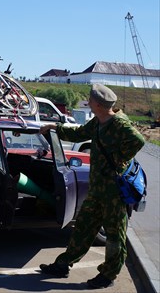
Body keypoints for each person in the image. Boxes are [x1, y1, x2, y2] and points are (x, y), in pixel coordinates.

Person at [38, 84, 145, 289]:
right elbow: (79, 133)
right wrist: (54, 128)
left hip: (114, 191)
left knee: (115, 235)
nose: (88, 101)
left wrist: (119, 161)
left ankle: (108, 275)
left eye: (90, 99)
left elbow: (138, 141)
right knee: (83, 228)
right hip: (97, 189)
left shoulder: (120, 124)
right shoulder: (98, 122)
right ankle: (63, 264)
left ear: (97, 103)